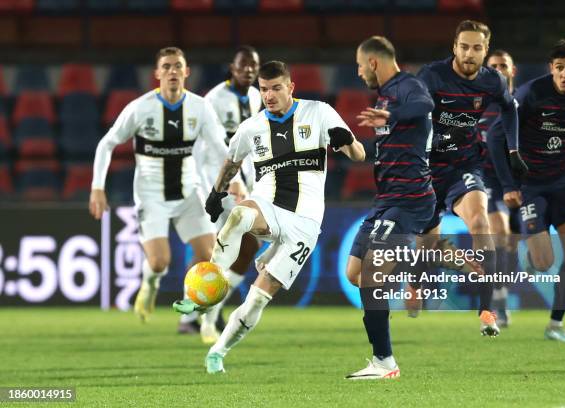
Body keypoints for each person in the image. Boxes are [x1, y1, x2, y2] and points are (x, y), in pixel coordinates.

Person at [176, 60, 366, 374]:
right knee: (238, 217)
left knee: (257, 299)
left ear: (291, 87)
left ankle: (217, 352)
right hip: (267, 203)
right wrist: (215, 193)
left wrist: (347, 144)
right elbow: (231, 163)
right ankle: (204, 293)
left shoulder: (318, 113)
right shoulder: (252, 127)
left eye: (276, 88)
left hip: (305, 223)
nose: (269, 95)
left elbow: (358, 154)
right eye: (264, 89)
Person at [89, 47, 228, 324]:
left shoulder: (200, 108)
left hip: (189, 192)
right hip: (151, 195)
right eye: (166, 67)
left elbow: (221, 151)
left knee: (208, 255)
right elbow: (107, 143)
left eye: (177, 66)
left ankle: (190, 314)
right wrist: (97, 187)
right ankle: (149, 284)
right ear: (157, 74)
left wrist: (231, 182)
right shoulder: (141, 108)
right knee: (159, 263)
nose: (172, 71)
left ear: (186, 72)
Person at [488, 39, 565, 342]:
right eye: (560, 68)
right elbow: (494, 137)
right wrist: (508, 185)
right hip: (531, 185)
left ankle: (555, 325)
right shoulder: (531, 94)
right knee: (543, 261)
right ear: (551, 70)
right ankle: (531, 252)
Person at [416, 20, 528, 336]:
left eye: (476, 48)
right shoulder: (432, 76)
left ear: (485, 50)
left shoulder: (492, 81)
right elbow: (410, 111)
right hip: (427, 169)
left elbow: (509, 109)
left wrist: (514, 150)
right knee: (428, 244)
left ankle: (487, 309)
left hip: (465, 163)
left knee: (480, 222)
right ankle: (417, 282)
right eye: (464, 47)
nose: (469, 54)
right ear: (454, 47)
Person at [343, 36, 436, 380]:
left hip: (410, 199)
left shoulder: (407, 86)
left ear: (373, 62)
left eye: (359, 64)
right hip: (386, 200)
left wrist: (392, 113)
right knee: (355, 273)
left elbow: (425, 105)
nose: (357, 71)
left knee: (373, 273)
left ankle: (384, 362)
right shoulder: (384, 95)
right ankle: (413, 266)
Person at [190, 46, 262, 341]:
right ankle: (203, 318)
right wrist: (224, 182)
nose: (249, 70)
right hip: (214, 185)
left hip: (243, 183)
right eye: (243, 65)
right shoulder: (214, 101)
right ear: (231, 68)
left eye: (253, 66)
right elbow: (214, 146)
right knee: (220, 253)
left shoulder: (257, 97)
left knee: (247, 250)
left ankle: (208, 310)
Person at [478, 50, 522, 327]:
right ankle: (496, 303)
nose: (498, 70)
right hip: (487, 180)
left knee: (511, 243)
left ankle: (500, 295)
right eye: (492, 66)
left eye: (502, 65)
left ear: (512, 70)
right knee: (499, 232)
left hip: (518, 181)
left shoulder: (521, 104)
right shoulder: (478, 104)